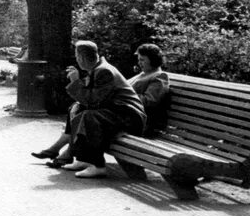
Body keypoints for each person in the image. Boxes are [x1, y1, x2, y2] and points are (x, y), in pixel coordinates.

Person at [32, 43, 169, 169]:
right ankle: (63, 151)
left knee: (88, 114)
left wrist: (118, 95)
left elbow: (149, 101)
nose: (139, 63)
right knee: (78, 107)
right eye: (139, 59)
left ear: (154, 59)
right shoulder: (141, 75)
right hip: (121, 113)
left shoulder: (159, 76)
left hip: (138, 120)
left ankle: (71, 154)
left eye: (142, 60)